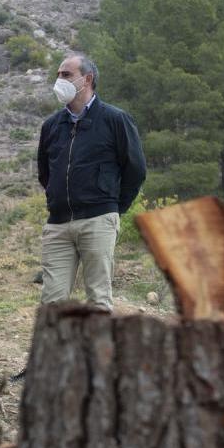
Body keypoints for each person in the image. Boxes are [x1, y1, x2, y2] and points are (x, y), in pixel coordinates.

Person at [37, 54, 146, 310]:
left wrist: (113, 208)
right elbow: (45, 172)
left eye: (66, 74)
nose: (59, 80)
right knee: (52, 301)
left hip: (99, 220)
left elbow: (136, 170)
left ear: (87, 79)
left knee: (98, 298)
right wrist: (55, 198)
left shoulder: (115, 119)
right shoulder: (51, 125)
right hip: (58, 224)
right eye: (58, 75)